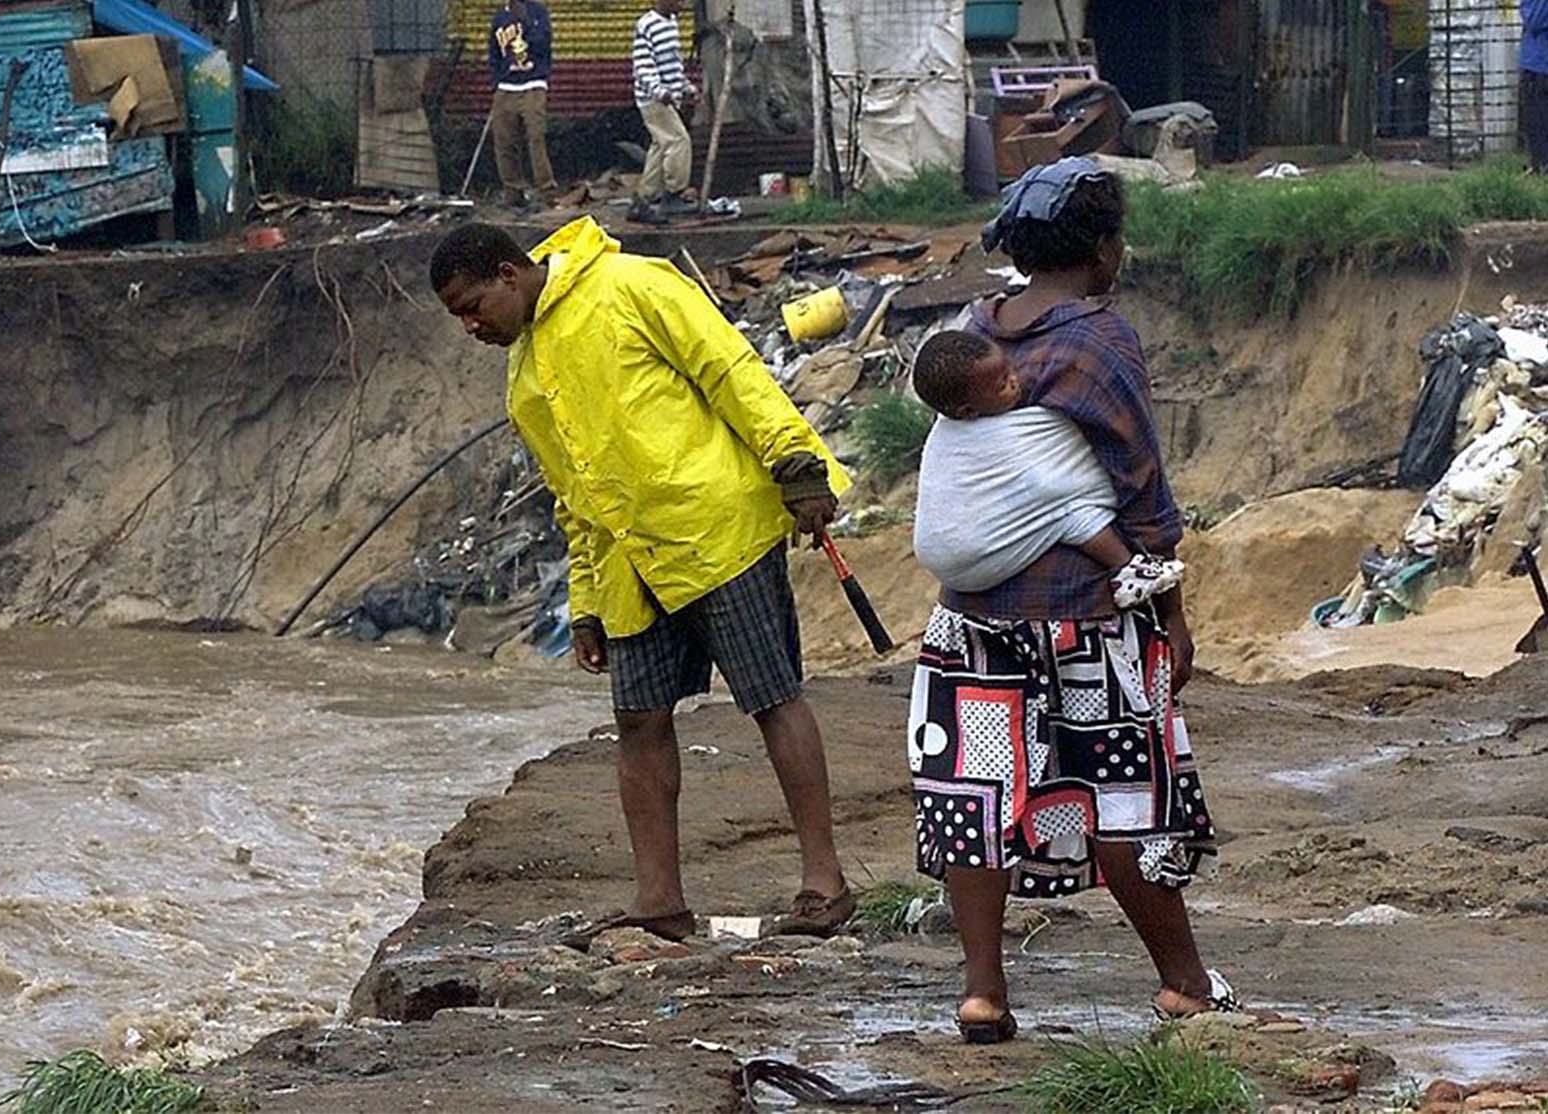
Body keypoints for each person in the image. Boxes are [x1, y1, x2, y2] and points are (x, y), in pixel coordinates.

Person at [430, 217, 858, 942]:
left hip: (717, 529)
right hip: (632, 564)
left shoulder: (633, 284)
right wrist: (587, 602)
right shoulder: (526, 377)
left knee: (772, 698)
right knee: (639, 722)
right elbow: (575, 497)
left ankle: (826, 884)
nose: (471, 325)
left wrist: (795, 462)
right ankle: (660, 902)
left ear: (509, 274)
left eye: (473, 306)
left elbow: (730, 369)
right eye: (459, 317)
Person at [905, 158, 1234, 1046]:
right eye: (1118, 236)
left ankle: (982, 993)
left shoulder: (974, 331)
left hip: (967, 621)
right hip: (1083, 617)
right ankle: (1185, 984)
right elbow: (1139, 481)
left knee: (976, 798)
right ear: (1101, 247)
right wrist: (1168, 605)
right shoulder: (1095, 338)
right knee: (1122, 796)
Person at [909, 329, 1185, 609]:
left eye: (1011, 369)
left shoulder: (976, 414)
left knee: (1053, 504)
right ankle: (1126, 569)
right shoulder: (957, 436)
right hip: (973, 558)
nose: (1015, 380)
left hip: (944, 560)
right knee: (1068, 511)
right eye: (1002, 384)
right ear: (967, 412)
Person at [629, 0, 694, 226]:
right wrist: (659, 91)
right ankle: (674, 193)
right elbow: (643, 66)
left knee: (660, 145)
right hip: (654, 99)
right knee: (679, 141)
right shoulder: (647, 25)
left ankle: (644, 199)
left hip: (666, 96)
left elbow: (673, 64)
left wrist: (686, 87)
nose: (683, 4)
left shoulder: (671, 23)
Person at [489, 0, 557, 208]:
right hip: (506, 87)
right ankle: (513, 191)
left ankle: (546, 191)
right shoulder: (499, 18)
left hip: (533, 84)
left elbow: (543, 44)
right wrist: (497, 81)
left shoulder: (538, 12)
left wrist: (524, 20)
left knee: (536, 137)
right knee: (504, 141)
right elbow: (494, 52)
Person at [1523, 0, 1548, 172]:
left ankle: (1541, 165)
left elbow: (1534, 20)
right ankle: (1540, 164)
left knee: (1538, 119)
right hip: (1539, 62)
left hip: (1539, 62)